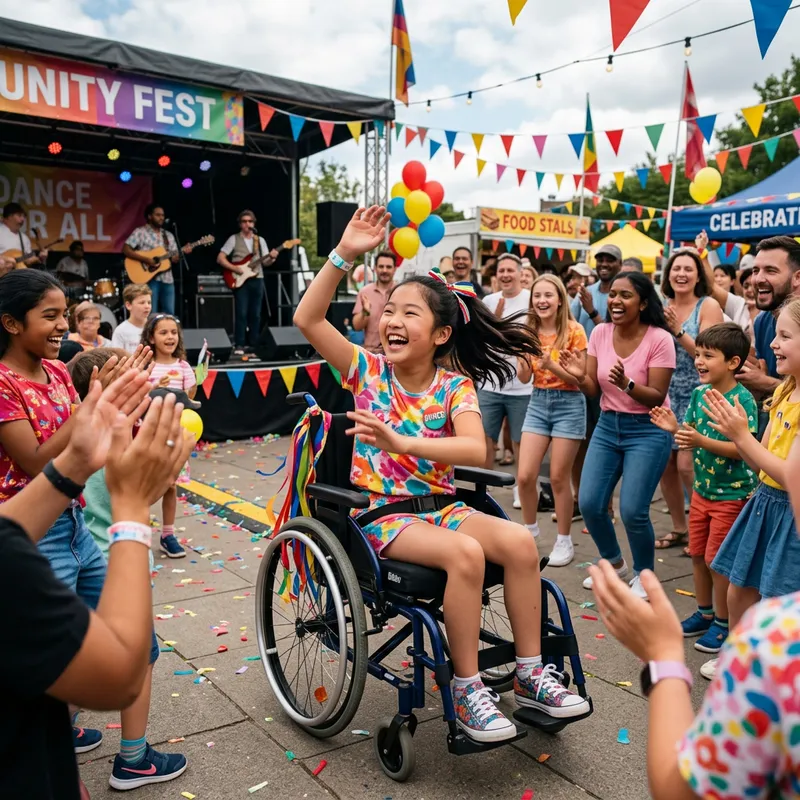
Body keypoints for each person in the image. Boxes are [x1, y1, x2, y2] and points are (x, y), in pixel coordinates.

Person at [294, 205, 590, 742]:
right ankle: (468, 688)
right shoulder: (366, 369)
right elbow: (308, 320)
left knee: (522, 543)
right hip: (382, 516)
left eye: (410, 314)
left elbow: (476, 448)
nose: (392, 322)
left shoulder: (454, 386)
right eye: (390, 312)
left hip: (444, 509)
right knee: (468, 554)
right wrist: (344, 253)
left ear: (441, 333)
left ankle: (528, 674)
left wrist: (402, 440)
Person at [0, 367, 193, 798]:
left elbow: (6, 533)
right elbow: (117, 678)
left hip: (69, 523)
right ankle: (132, 758)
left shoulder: (53, 373)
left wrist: (75, 463)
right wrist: (131, 508)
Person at [698, 296, 800, 680]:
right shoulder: (785, 391)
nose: (773, 344)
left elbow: (791, 474)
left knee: (779, 596)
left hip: (790, 511)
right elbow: (760, 464)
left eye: (785, 336)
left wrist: (742, 435)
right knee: (739, 588)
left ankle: (774, 673)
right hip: (765, 502)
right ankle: (740, 655)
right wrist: (739, 437)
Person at [560, 271, 675, 600]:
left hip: (648, 427)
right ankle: (614, 563)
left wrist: (627, 383)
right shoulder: (600, 334)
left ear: (642, 302)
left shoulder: (659, 339)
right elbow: (594, 389)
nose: (616, 301)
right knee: (591, 502)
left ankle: (644, 574)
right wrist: (578, 376)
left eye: (625, 295)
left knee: (633, 510)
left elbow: (656, 394)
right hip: (609, 425)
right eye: (613, 295)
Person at [649, 323, 757, 665]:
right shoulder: (698, 394)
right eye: (697, 354)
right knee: (697, 553)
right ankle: (705, 613)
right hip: (701, 493)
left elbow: (743, 449)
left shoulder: (743, 400)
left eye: (708, 355)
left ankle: (725, 624)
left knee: (716, 561)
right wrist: (674, 429)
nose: (699, 361)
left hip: (732, 495)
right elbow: (690, 434)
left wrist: (698, 441)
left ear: (733, 362)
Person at [516, 275, 587, 564]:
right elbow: (524, 376)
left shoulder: (574, 331)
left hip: (568, 404)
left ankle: (564, 540)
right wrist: (520, 357)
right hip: (538, 400)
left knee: (558, 477)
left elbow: (581, 379)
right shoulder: (527, 331)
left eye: (548, 295)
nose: (542, 301)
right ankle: (530, 533)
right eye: (537, 296)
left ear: (560, 300)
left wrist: (551, 365)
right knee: (524, 475)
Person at [657, 249, 723, 552]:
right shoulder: (661, 305)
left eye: (688, 269)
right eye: (676, 268)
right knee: (665, 465)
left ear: (699, 275)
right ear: (668, 274)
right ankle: (679, 528)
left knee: (688, 464)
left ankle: (703, 526)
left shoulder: (707, 305)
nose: (681, 274)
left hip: (698, 392)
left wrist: (678, 330)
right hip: (665, 391)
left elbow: (707, 353)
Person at [570, 244, 623, 526]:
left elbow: (616, 334)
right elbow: (574, 329)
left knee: (607, 445)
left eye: (609, 260)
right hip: (586, 378)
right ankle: (580, 500)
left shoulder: (621, 295)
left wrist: (592, 311)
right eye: (600, 259)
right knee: (582, 441)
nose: (604, 264)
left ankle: (607, 507)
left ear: (619, 264)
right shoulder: (585, 294)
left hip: (613, 379)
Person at [141, 314, 196, 557]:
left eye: (173, 332)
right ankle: (139, 532)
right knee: (145, 486)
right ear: (151, 338)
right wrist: (153, 387)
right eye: (163, 332)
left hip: (176, 434)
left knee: (171, 486)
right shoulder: (145, 366)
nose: (170, 337)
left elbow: (190, 399)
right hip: (149, 434)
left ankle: (167, 534)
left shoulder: (183, 367)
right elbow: (136, 398)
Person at [737, 236, 800, 437]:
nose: (758, 279)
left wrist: (766, 383)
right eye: (756, 271)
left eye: (771, 271)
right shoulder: (762, 320)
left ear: (797, 278)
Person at [477, 255, 532, 479]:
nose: (506, 275)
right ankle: (484, 488)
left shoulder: (531, 300)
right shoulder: (489, 301)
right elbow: (480, 341)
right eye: (502, 271)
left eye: (510, 270)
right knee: (485, 439)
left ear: (520, 273)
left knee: (520, 441)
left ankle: (521, 487)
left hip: (522, 388)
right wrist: (495, 320)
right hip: (490, 385)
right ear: (496, 274)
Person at [216, 210, 279, 355]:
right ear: (240, 224)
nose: (247, 224)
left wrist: (273, 257)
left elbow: (266, 262)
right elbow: (220, 258)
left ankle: (254, 345)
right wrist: (235, 268)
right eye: (244, 221)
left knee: (256, 314)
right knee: (241, 313)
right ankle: (239, 344)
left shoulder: (259, 240)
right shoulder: (234, 239)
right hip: (240, 279)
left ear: (253, 224)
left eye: (250, 222)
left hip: (257, 279)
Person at [123, 204, 189, 315]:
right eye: (158, 215)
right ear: (149, 216)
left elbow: (174, 259)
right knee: (149, 313)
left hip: (167, 279)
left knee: (169, 313)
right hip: (148, 279)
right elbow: (126, 249)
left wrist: (182, 253)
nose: (161, 218)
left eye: (163, 215)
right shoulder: (140, 232)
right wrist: (146, 260)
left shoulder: (168, 236)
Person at [694, 230, 752, 336]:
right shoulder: (740, 305)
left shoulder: (773, 312)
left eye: (756, 285)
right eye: (746, 285)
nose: (750, 290)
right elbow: (712, 286)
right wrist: (702, 252)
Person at [351, 250, 398, 352]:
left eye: (388, 267)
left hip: (396, 352)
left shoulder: (401, 291)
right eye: (381, 266)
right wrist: (365, 311)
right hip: (372, 353)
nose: (384, 270)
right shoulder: (365, 292)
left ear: (395, 269)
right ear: (375, 269)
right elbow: (357, 326)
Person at [0, 202, 48, 273]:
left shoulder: (24, 238)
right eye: (19, 216)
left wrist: (40, 258)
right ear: (9, 216)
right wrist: (4, 258)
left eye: (24, 216)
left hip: (17, 278)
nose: (22, 219)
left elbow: (28, 260)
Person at [112, 284, 153, 354]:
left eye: (149, 302)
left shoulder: (154, 327)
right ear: (128, 305)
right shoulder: (120, 331)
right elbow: (117, 357)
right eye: (142, 303)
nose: (147, 306)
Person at [738, 266, 759, 334]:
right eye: (746, 286)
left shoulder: (770, 312)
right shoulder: (738, 305)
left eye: (755, 286)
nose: (750, 290)